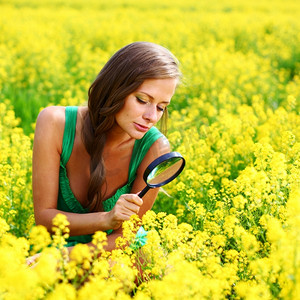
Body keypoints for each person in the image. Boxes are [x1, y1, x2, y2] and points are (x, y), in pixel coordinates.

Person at [32, 41, 181, 252]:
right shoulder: (54, 123)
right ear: (115, 88)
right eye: (141, 100)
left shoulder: (154, 148)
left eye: (160, 107)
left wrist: (70, 257)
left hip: (114, 253)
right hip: (55, 246)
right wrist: (106, 219)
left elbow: (126, 235)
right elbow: (45, 219)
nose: (151, 117)